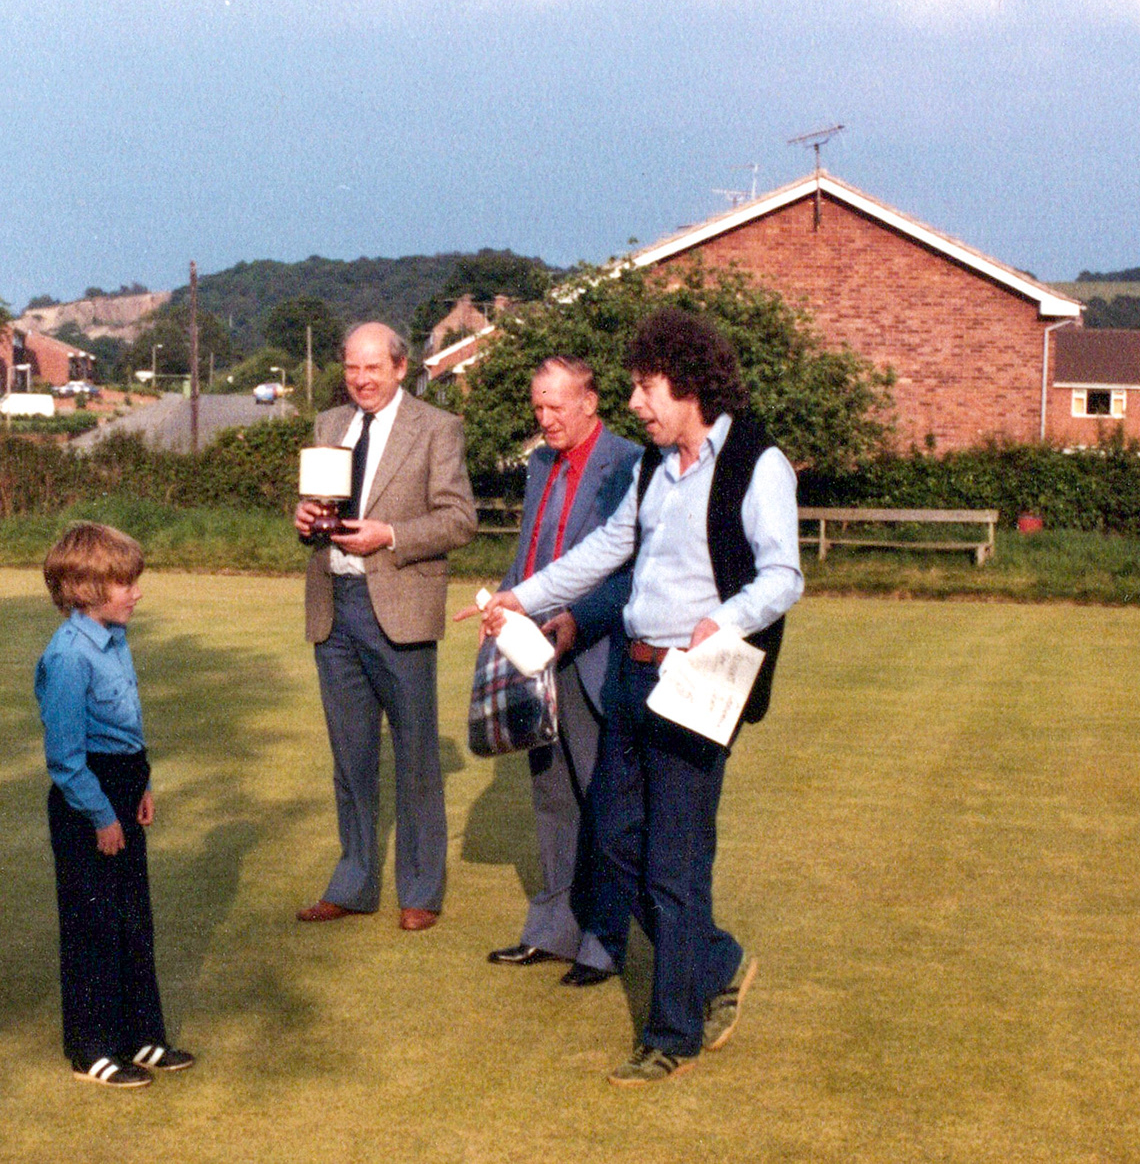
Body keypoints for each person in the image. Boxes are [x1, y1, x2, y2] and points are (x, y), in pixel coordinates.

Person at [469, 309, 802, 1085]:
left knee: (672, 865)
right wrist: (520, 595)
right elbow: (605, 549)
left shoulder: (758, 462)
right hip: (632, 674)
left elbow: (785, 575)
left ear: (687, 383)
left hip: (699, 680)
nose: (638, 406)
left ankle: (672, 1033)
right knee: (616, 842)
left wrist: (725, 618)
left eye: (646, 389)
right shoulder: (655, 466)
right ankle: (716, 960)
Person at [293, 323, 477, 931]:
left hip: (398, 610)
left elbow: (458, 521)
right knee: (350, 759)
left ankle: (419, 890)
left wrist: (389, 536)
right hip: (333, 605)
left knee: (417, 758)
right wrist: (303, 518)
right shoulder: (328, 426)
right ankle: (354, 882)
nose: (361, 379)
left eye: (373, 368)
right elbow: (317, 508)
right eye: (351, 368)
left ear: (401, 368)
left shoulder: (437, 427)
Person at [481, 357, 641, 987]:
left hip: (595, 648)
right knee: (550, 796)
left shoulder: (631, 463)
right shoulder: (541, 463)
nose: (545, 419)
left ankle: (603, 943)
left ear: (591, 402)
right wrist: (500, 604)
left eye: (557, 407)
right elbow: (531, 553)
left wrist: (579, 617)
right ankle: (551, 931)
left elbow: (627, 570)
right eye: (538, 407)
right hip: (532, 649)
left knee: (602, 801)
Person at [36, 522, 194, 1089]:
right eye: (125, 583)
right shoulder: (70, 656)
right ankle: (91, 1047)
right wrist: (102, 814)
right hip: (88, 800)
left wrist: (142, 784)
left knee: (132, 917)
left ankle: (140, 1035)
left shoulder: (116, 639)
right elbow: (66, 756)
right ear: (85, 588)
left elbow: (125, 726)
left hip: (124, 786)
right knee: (93, 923)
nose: (137, 593)